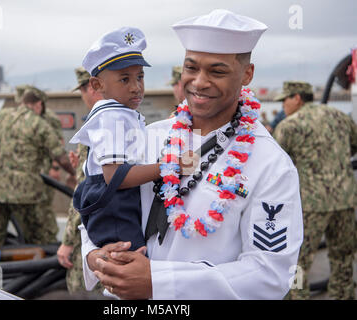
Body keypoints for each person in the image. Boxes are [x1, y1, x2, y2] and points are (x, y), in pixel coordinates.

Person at [80, 9, 303, 300]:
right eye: (191, 68)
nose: (199, 82)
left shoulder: (270, 164)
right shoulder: (146, 137)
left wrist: (159, 282)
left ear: (247, 74)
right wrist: (94, 254)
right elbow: (95, 199)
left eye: (217, 71)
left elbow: (270, 274)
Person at [70, 27, 193, 255]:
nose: (136, 87)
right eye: (124, 79)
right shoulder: (112, 116)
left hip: (117, 202)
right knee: (131, 261)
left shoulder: (119, 111)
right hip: (115, 207)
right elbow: (115, 176)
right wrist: (170, 167)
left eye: (140, 77)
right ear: (97, 85)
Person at [273, 81, 357, 300]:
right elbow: (354, 145)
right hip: (346, 201)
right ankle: (343, 295)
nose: (283, 106)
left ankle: (298, 297)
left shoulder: (289, 125)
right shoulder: (340, 117)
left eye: (285, 100)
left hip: (310, 205)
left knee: (298, 261)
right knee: (344, 257)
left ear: (298, 98)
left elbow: (275, 164)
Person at [0, 87, 76, 246]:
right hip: (24, 193)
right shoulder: (38, 123)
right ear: (38, 105)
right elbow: (61, 157)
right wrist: (75, 173)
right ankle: (39, 269)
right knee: (41, 238)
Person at [57, 67, 104, 294]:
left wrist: (67, 241)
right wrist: (80, 167)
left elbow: (84, 192)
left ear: (91, 87)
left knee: (81, 287)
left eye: (83, 89)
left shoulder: (96, 125)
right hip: (110, 225)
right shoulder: (121, 117)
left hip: (93, 229)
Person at [14, 85, 63, 244]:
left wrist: (55, 167)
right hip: (26, 174)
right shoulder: (19, 118)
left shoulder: (48, 118)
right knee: (26, 213)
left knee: (43, 211)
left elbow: (58, 144)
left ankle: (48, 243)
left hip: (45, 171)